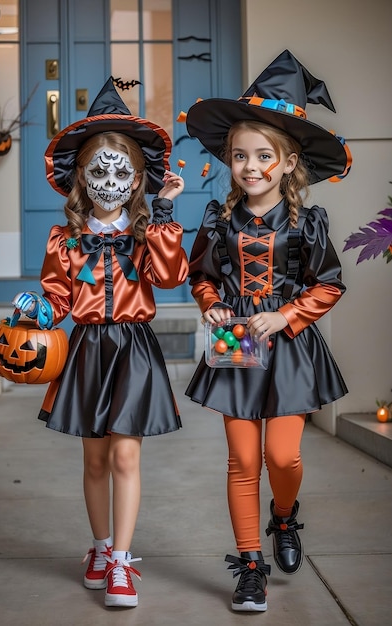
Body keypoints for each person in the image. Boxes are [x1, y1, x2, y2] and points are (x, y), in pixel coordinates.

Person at [183, 50, 351, 612]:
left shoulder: (308, 222)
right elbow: (201, 276)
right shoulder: (216, 218)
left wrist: (286, 315)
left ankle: (285, 517)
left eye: (263, 156)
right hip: (236, 337)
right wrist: (209, 303)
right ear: (229, 160)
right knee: (242, 461)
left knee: (282, 457)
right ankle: (250, 564)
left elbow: (328, 284)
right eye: (239, 156)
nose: (250, 167)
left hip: (289, 343)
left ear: (287, 161)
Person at [12, 77, 189, 609]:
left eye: (122, 171)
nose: (109, 180)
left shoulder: (146, 228)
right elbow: (57, 297)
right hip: (88, 352)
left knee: (126, 460)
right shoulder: (64, 238)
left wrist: (161, 214)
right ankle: (99, 546)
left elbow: (170, 276)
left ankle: (120, 564)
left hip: (133, 351)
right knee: (94, 461)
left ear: (137, 179)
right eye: (99, 170)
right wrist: (38, 310)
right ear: (82, 179)